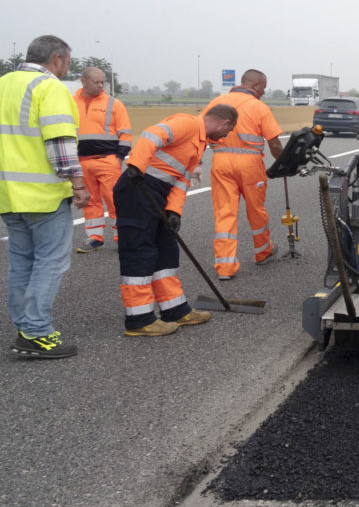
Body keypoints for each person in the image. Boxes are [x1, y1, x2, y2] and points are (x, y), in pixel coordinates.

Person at [113, 104, 238, 336]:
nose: (226, 136)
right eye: (228, 131)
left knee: (166, 251)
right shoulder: (189, 123)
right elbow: (152, 134)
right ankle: (139, 319)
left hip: (159, 194)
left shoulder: (200, 143)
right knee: (140, 252)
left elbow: (181, 179)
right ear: (225, 123)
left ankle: (175, 310)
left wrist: (174, 212)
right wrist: (136, 166)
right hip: (137, 187)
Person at [1, 35, 88, 358]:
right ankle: (36, 332)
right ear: (57, 59)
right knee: (50, 262)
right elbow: (61, 143)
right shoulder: (49, 87)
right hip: (43, 195)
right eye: (66, 62)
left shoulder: (4, 83)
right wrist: (78, 184)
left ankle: (25, 326)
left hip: (7, 195)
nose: (65, 69)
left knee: (21, 263)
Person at [203, 69, 284, 281]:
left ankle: (225, 267)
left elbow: (200, 131)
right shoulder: (259, 107)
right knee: (256, 210)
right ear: (256, 85)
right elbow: (274, 143)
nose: (264, 92)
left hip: (220, 162)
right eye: (264, 88)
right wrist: (285, 164)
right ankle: (263, 252)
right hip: (250, 165)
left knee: (224, 212)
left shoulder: (216, 103)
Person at [73, 66, 132, 252]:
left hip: (108, 160)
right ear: (83, 81)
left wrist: (118, 158)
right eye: (96, 82)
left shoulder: (114, 104)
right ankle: (94, 237)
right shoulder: (70, 102)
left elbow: (126, 133)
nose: (101, 86)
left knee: (115, 199)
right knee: (89, 201)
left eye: (102, 82)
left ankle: (121, 235)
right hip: (81, 161)